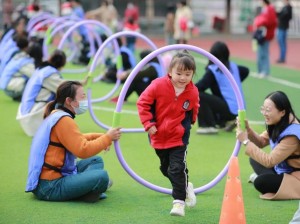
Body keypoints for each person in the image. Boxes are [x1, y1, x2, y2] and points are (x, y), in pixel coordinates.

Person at [25, 80, 121, 202]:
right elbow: (83, 150)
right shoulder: (64, 120)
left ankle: (86, 189)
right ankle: (88, 190)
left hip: (48, 180)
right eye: (82, 96)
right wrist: (107, 137)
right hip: (50, 186)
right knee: (102, 177)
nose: (85, 99)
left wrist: (100, 136)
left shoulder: (56, 115)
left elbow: (73, 139)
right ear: (69, 101)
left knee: (96, 160)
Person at [137, 51, 199, 217]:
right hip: (157, 134)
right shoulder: (158, 85)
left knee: (177, 167)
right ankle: (186, 187)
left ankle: (178, 203)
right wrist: (148, 124)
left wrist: (190, 123)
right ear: (169, 71)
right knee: (167, 169)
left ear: (193, 73)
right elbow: (143, 102)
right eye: (179, 73)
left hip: (179, 137)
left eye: (188, 74)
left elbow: (194, 107)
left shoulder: (192, 92)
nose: (183, 78)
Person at [236, 91, 300, 200]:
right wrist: (248, 130)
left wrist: (246, 141)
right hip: (283, 169)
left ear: (282, 112)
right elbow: (261, 142)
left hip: (295, 176)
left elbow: (270, 161)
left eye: (268, 110)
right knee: (254, 159)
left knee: (260, 182)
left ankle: (272, 181)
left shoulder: (292, 135)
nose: (264, 113)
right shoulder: (280, 121)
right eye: (263, 109)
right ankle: (272, 179)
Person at [195, 41, 249, 134]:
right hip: (241, 111)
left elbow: (199, 87)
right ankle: (224, 122)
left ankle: (208, 125)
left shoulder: (214, 69)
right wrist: (234, 83)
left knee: (198, 94)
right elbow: (246, 70)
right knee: (215, 96)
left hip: (229, 109)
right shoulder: (234, 67)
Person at [16, 50, 68, 137]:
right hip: (31, 119)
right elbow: (66, 88)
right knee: (65, 98)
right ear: (63, 64)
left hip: (25, 115)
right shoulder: (49, 75)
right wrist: (81, 83)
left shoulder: (42, 69)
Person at [252, 0, 277, 78]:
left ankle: (265, 71)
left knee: (264, 53)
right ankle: (260, 70)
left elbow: (270, 21)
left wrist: (259, 23)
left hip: (266, 34)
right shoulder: (264, 9)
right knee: (260, 52)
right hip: (261, 33)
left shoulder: (270, 9)